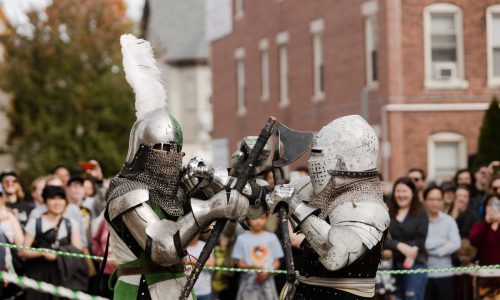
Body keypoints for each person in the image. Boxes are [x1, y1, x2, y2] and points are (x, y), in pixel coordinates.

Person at [105, 34, 249, 299]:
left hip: (179, 287)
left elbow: (207, 228)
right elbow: (163, 248)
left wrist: (219, 188)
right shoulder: (126, 192)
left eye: (174, 150)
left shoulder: (174, 190)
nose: (170, 156)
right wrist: (210, 208)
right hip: (141, 289)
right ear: (141, 150)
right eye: (162, 149)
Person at [266, 115, 390, 299]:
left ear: (344, 159)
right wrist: (217, 181)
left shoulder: (370, 208)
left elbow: (336, 255)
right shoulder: (316, 190)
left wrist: (294, 205)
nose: (311, 162)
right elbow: (265, 195)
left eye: (318, 154)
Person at [22, 185, 84, 300]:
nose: (57, 202)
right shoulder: (35, 222)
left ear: (65, 201)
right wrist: (42, 252)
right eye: (52, 198)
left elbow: (77, 251)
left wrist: (57, 255)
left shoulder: (71, 224)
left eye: (60, 198)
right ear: (45, 201)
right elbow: (24, 251)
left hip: (64, 276)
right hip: (38, 276)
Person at [384, 177, 428, 300]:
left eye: (405, 191)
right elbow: (381, 239)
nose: (401, 195)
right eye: (398, 191)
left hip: (415, 266)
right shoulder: (386, 212)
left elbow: (420, 242)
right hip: (390, 267)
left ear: (413, 193)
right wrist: (399, 246)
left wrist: (391, 245)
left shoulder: (421, 213)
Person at [232, 214, 283, 300]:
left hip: (268, 285)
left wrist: (267, 272)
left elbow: (277, 262)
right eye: (254, 218)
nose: (258, 221)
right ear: (248, 220)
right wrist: (252, 267)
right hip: (248, 285)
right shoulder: (242, 239)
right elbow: (240, 264)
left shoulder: (272, 237)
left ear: (266, 218)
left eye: (262, 218)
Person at [423, 186, 460, 300]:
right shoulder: (419, 221)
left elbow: (456, 243)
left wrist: (433, 252)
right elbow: (422, 244)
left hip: (445, 274)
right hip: (424, 274)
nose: (435, 203)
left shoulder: (449, 220)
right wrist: (442, 241)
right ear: (425, 201)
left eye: (438, 199)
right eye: (432, 199)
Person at [185, 235, 215, 300]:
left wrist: (190, 261)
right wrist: (200, 259)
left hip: (204, 291)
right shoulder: (182, 248)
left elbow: (211, 264)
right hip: (186, 290)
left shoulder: (207, 246)